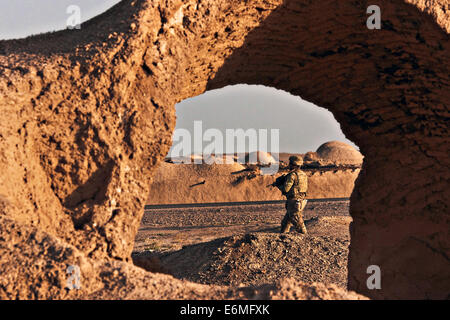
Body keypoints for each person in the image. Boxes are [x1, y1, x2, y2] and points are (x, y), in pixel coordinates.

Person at [276, 155, 308, 234]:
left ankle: (307, 238)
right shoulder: (303, 174)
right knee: (285, 223)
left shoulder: (292, 175)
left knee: (298, 222)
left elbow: (286, 189)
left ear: (294, 164)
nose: (289, 165)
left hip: (293, 201)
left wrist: (278, 185)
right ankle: (282, 238)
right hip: (300, 200)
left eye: (290, 163)